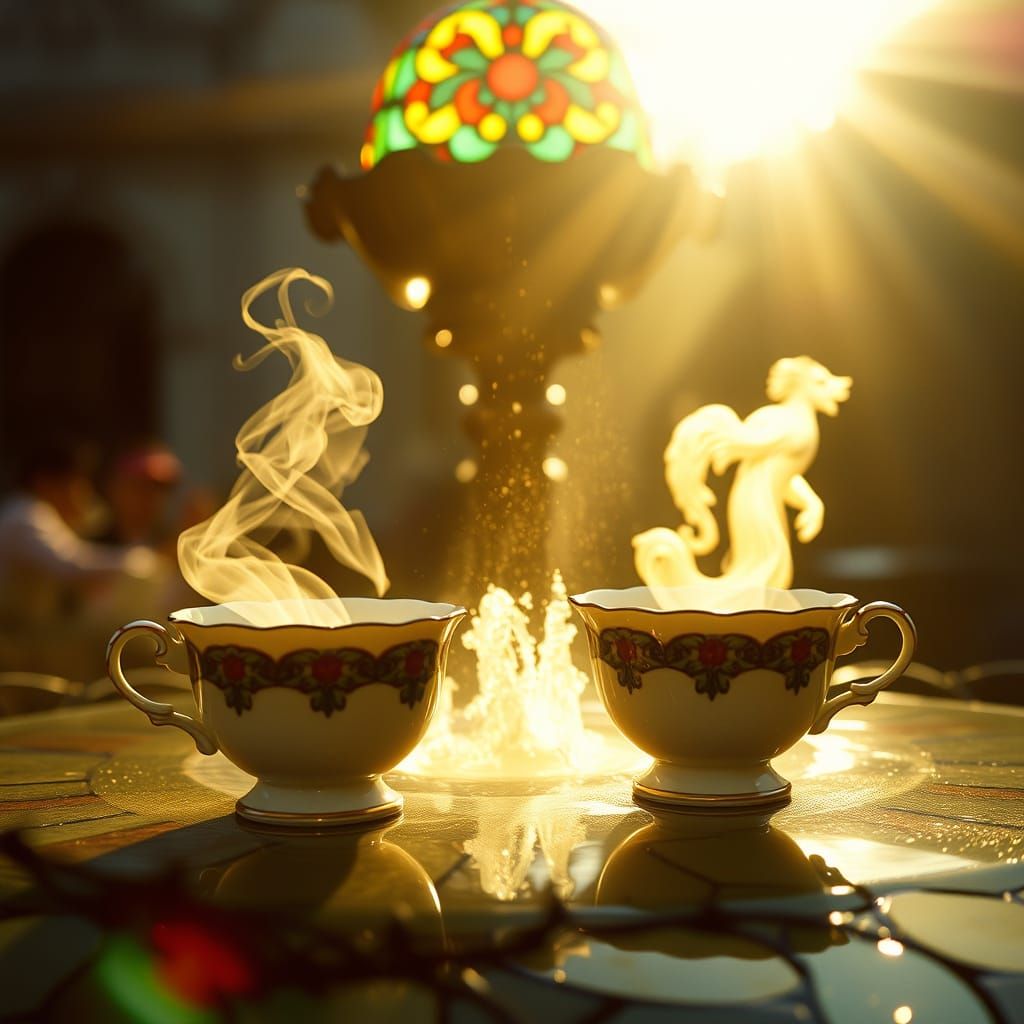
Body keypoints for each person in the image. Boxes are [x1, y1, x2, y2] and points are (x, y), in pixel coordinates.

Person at [0, 439, 163, 678]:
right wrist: (141, 561)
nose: (84, 492)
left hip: (28, 638)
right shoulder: (26, 514)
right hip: (17, 641)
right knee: (123, 635)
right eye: (77, 483)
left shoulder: (31, 513)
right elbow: (73, 565)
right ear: (46, 482)